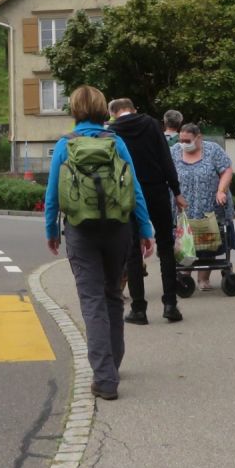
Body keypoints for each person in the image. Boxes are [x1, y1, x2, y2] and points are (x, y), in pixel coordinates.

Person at [45, 85, 155, 401]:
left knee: (91, 299)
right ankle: (113, 365)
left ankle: (104, 378)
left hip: (80, 231)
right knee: (112, 296)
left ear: (75, 110)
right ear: (102, 110)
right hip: (119, 229)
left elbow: (52, 193)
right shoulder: (115, 142)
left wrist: (51, 230)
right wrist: (145, 228)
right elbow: (134, 190)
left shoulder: (66, 145)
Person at [109, 98, 187, 324]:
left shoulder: (112, 131)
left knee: (133, 251)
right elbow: (165, 158)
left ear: (113, 113)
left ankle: (139, 309)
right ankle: (170, 304)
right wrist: (176, 191)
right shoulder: (152, 124)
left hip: (129, 194)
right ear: (134, 109)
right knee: (165, 245)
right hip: (157, 191)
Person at [170, 123, 234, 290]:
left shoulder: (213, 150)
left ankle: (203, 279)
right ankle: (185, 276)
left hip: (209, 205)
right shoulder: (175, 151)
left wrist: (221, 191)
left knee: (208, 243)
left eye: (187, 140)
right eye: (181, 139)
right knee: (184, 242)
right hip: (183, 207)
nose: (183, 143)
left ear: (199, 137)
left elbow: (226, 170)